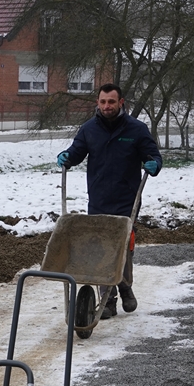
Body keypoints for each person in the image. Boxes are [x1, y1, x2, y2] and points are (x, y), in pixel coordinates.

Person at [56, 83, 162, 319]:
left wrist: (154, 164)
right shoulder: (89, 129)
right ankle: (108, 301)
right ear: (97, 103)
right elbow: (76, 151)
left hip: (127, 200)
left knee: (122, 248)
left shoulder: (136, 129)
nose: (107, 106)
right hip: (98, 199)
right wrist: (66, 158)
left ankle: (124, 285)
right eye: (103, 102)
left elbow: (153, 155)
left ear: (121, 103)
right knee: (100, 249)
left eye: (111, 102)